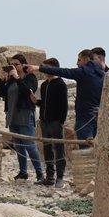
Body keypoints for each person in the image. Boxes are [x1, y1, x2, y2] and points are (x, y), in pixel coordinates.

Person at [36, 49, 105, 141]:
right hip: (97, 117)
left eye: (79, 60)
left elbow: (65, 72)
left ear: (86, 59)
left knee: (84, 146)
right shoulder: (102, 74)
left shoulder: (85, 72)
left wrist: (39, 68)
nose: (77, 63)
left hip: (84, 118)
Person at [0, 54, 44, 182]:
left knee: (29, 145)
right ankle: (23, 172)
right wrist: (1, 81)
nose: (14, 67)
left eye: (16, 64)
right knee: (18, 145)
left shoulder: (30, 78)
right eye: (11, 64)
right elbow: (2, 93)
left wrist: (17, 77)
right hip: (12, 115)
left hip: (25, 114)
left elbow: (26, 91)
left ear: (23, 65)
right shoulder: (11, 79)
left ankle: (39, 173)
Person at [36, 58, 68, 187]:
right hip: (44, 122)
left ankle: (60, 177)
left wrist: (60, 121)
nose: (44, 70)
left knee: (59, 149)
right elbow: (44, 103)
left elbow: (64, 105)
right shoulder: (44, 85)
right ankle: (49, 177)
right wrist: (37, 102)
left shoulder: (60, 84)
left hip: (55, 122)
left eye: (47, 67)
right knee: (47, 150)